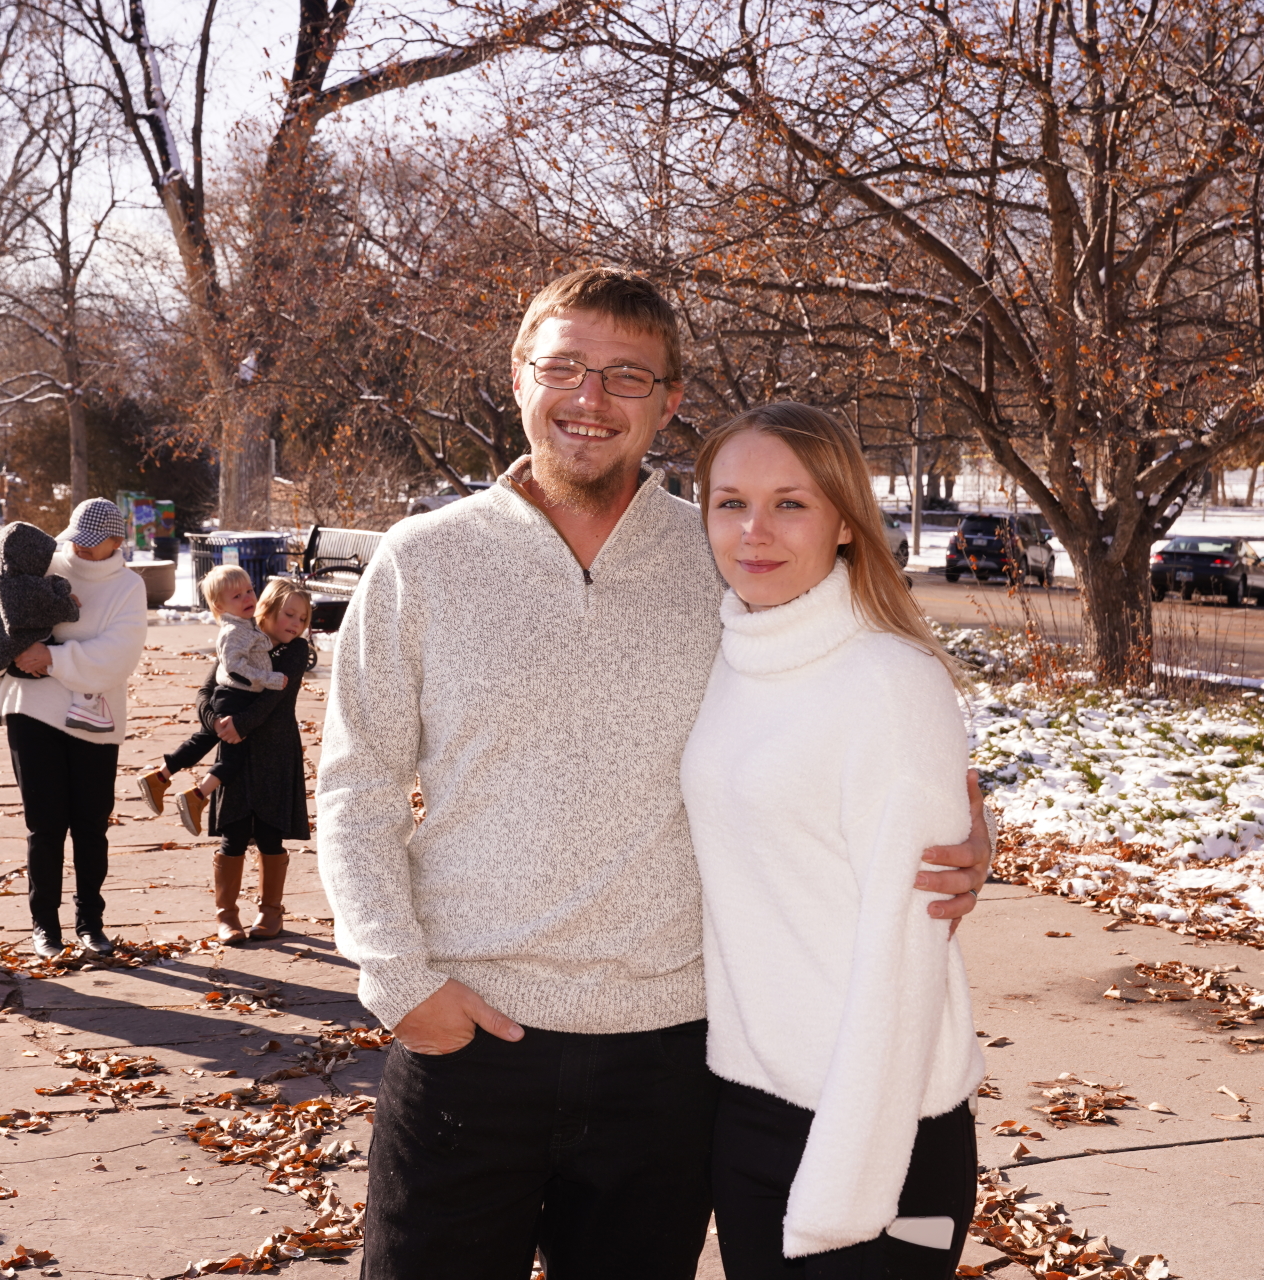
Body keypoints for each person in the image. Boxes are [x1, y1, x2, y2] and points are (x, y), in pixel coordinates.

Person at [314, 267, 992, 1279]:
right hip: (468, 1042)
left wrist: (963, 827)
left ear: (671, 401)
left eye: (628, 377)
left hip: (671, 1063)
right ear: (518, 376)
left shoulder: (725, 549)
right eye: (566, 368)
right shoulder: (424, 560)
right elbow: (354, 783)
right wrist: (398, 978)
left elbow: (852, 690)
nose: (591, 400)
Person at [684, 405, 983, 1278]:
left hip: (882, 1132)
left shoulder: (889, 680)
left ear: (846, 520)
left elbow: (908, 948)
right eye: (729, 503)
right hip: (752, 1104)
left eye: (791, 504)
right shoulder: (737, 650)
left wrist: (846, 1185)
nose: (754, 532)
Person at [0, 499, 148, 958]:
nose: (78, 547)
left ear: (117, 543)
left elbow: (119, 654)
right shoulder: (46, 564)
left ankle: (90, 921)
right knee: (44, 826)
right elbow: (0, 608)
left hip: (94, 720)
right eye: (75, 537)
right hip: (33, 709)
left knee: (90, 825)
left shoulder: (128, 587)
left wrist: (54, 657)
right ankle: (45, 926)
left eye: (91, 542)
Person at [194, 580, 315, 943]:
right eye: (288, 614)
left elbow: (272, 701)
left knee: (269, 834)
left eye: (303, 617)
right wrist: (213, 721)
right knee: (233, 834)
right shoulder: (240, 637)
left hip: (274, 754)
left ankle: (270, 912)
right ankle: (227, 916)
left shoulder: (295, 652)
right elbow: (207, 688)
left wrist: (239, 726)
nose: (295, 623)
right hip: (236, 753)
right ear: (268, 609)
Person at [136, 565, 287, 835]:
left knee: (203, 740)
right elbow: (233, 667)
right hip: (237, 698)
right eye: (237, 596)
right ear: (220, 606)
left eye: (250, 590)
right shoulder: (233, 632)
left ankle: (159, 777)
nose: (248, 598)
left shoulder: (243, 625)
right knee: (232, 757)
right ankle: (196, 796)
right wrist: (268, 677)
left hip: (231, 696)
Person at [0, 521, 82, 727]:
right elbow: (59, 610)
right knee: (71, 655)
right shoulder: (30, 585)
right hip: (30, 663)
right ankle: (86, 701)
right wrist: (69, 603)